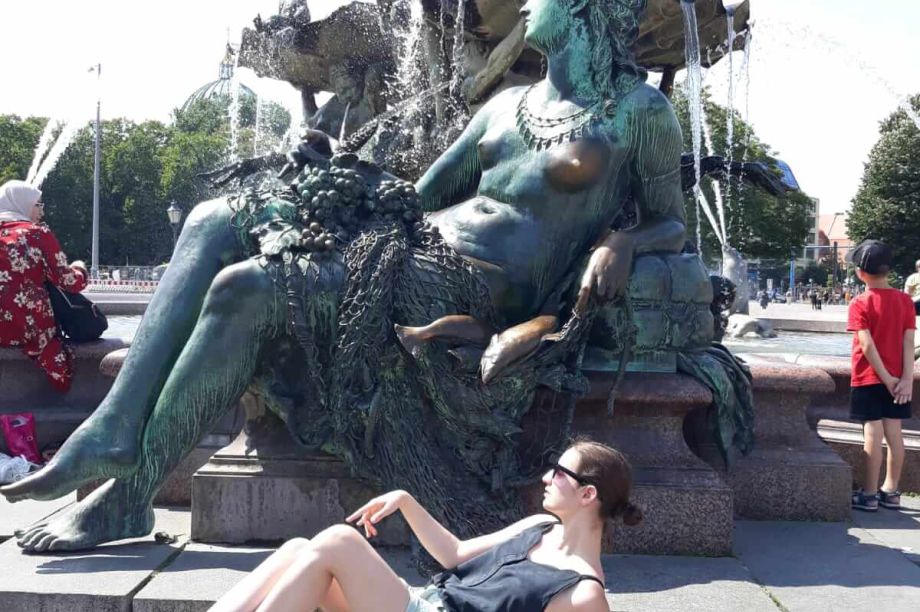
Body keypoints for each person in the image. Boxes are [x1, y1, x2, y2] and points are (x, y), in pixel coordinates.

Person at [3, 0, 684, 553]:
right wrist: (337, 168)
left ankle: (130, 493)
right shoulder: (506, 105)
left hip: (476, 285)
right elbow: (418, 195)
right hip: (412, 242)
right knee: (214, 217)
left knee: (247, 287)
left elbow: (671, 221)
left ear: (586, 7)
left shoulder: (637, 111)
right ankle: (114, 426)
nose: (527, 4)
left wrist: (624, 240)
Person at [210, 439, 639, 612]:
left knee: (339, 541)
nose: (546, 477)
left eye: (560, 473)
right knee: (298, 550)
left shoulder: (584, 593)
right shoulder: (540, 526)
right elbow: (454, 554)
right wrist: (405, 500)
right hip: (423, 603)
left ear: (588, 494)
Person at [0, 180, 88, 392]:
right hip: (30, 329)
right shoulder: (36, 233)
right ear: (21, 204)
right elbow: (69, 282)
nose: (42, 211)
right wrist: (80, 269)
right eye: (38, 205)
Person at [847, 240, 914, 512]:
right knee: (895, 433)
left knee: (872, 434)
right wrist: (906, 379)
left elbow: (866, 345)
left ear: (860, 273)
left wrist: (885, 377)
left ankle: (869, 494)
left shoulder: (859, 303)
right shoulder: (905, 301)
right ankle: (892, 491)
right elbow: (908, 343)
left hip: (869, 377)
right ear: (889, 270)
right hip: (899, 379)